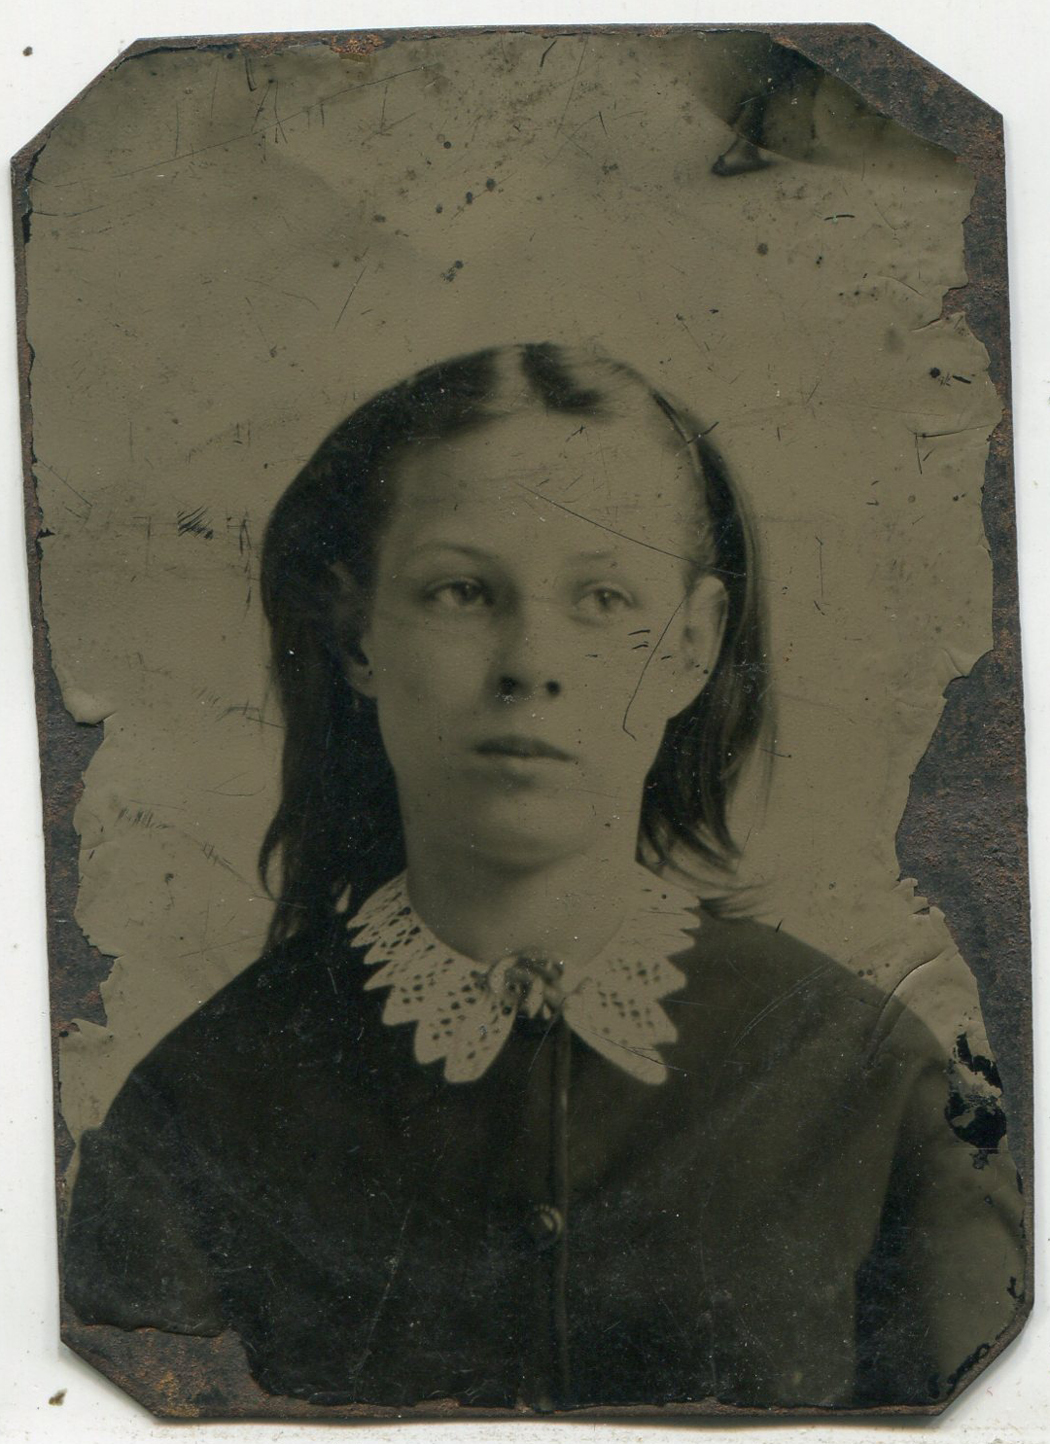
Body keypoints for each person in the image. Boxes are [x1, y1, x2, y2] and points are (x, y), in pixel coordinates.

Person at [62, 342, 1025, 1413]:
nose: (531, 664)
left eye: (603, 596)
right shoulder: (192, 1115)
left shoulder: (876, 1085)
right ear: (358, 634)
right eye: (461, 591)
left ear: (691, 644)